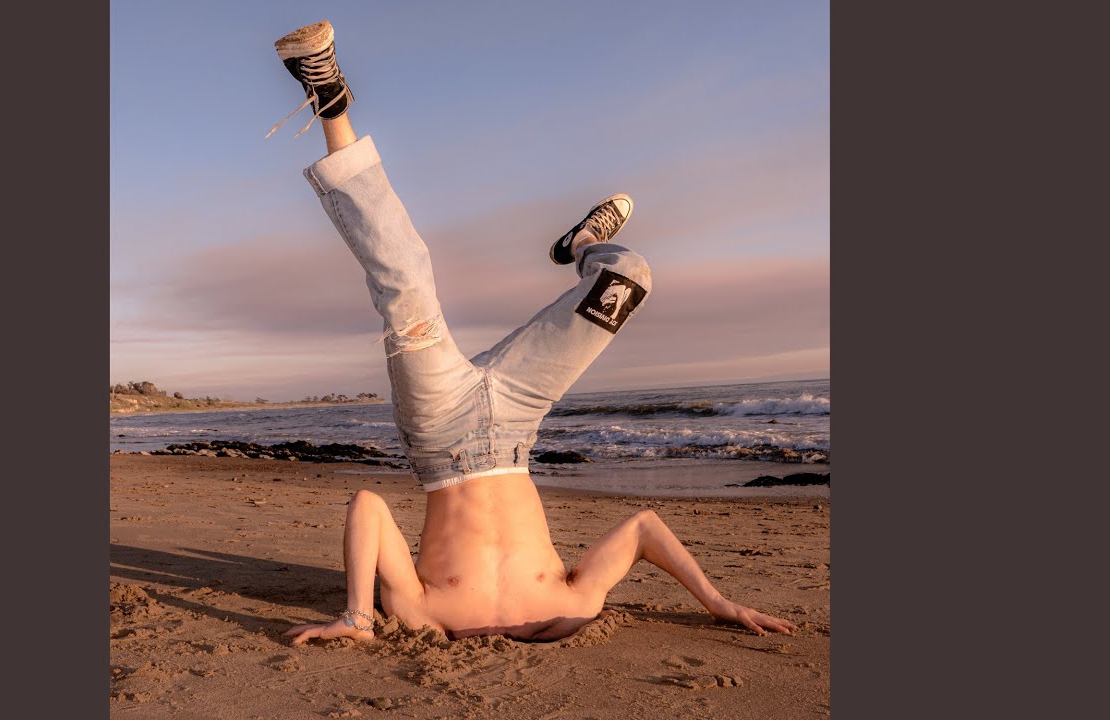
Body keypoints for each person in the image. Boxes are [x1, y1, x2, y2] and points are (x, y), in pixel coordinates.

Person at [267, 21, 795, 645]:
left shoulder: (425, 617)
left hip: (441, 433)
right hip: (519, 418)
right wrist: (718, 601)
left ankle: (329, 99)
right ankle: (585, 243)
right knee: (629, 279)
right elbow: (644, 528)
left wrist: (358, 617)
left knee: (404, 281)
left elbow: (368, 508)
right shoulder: (573, 605)